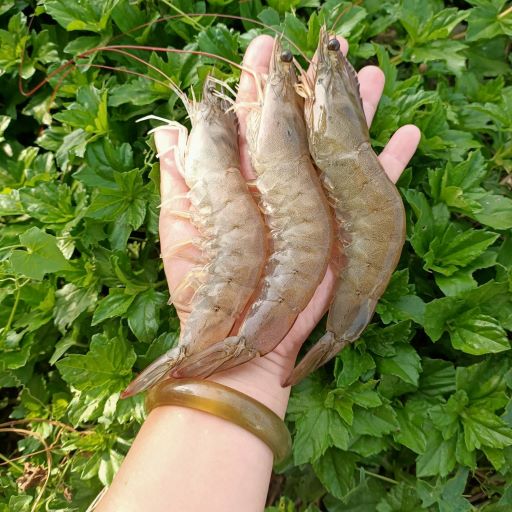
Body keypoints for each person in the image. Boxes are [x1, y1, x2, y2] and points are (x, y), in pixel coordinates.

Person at [95, 35, 421, 512]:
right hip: (299, 234)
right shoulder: (316, 145)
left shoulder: (314, 152)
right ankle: (227, 354)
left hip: (332, 236)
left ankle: (248, 348)